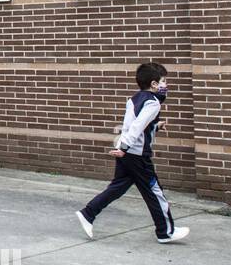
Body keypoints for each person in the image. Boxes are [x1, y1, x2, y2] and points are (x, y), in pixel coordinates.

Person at [75, 62, 189, 243]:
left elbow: (132, 125)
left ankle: (88, 213)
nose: (165, 85)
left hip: (127, 152)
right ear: (154, 84)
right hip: (136, 156)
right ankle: (165, 232)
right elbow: (135, 127)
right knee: (155, 192)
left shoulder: (134, 98)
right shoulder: (153, 103)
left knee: (117, 188)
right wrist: (124, 148)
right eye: (163, 81)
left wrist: (154, 126)